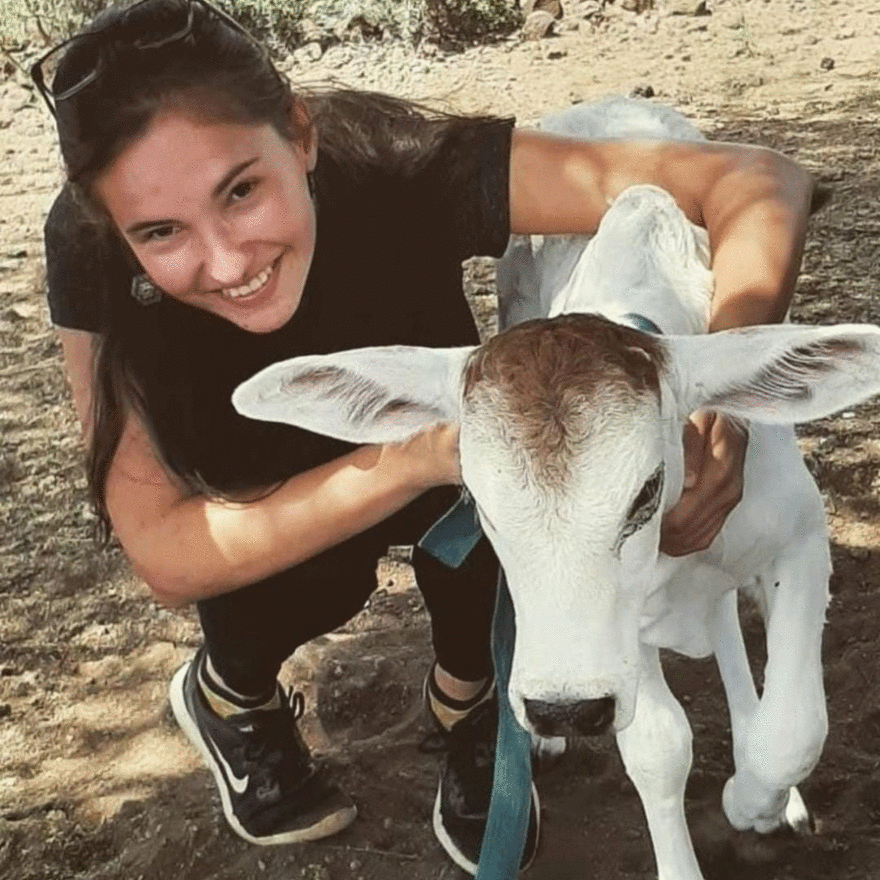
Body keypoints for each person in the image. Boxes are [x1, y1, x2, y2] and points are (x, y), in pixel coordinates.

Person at [34, 0, 816, 872]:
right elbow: (169, 552)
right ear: (114, 228)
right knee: (307, 578)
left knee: (518, 519)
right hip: (259, 478)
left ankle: (465, 700)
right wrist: (417, 458)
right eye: (160, 233)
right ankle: (232, 696)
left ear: (299, 134)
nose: (225, 262)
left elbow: (753, 181)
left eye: (242, 190)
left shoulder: (398, 160)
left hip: (442, 426)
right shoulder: (87, 247)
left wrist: (714, 397)